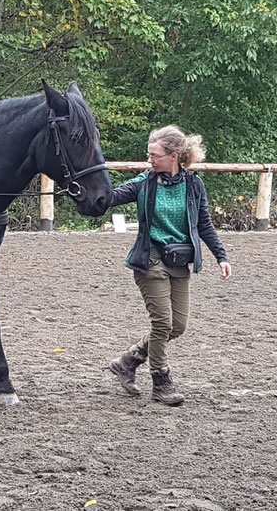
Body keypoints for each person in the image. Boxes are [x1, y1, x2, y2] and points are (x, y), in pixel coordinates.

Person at [107, 125, 233, 405]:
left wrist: (221, 256)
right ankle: (161, 381)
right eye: (149, 154)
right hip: (149, 260)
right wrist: (88, 188)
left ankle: (128, 360)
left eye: (155, 155)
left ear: (174, 156)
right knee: (162, 323)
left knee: (178, 326)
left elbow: (204, 225)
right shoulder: (143, 182)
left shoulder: (194, 184)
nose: (149, 160)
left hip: (179, 261)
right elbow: (110, 198)